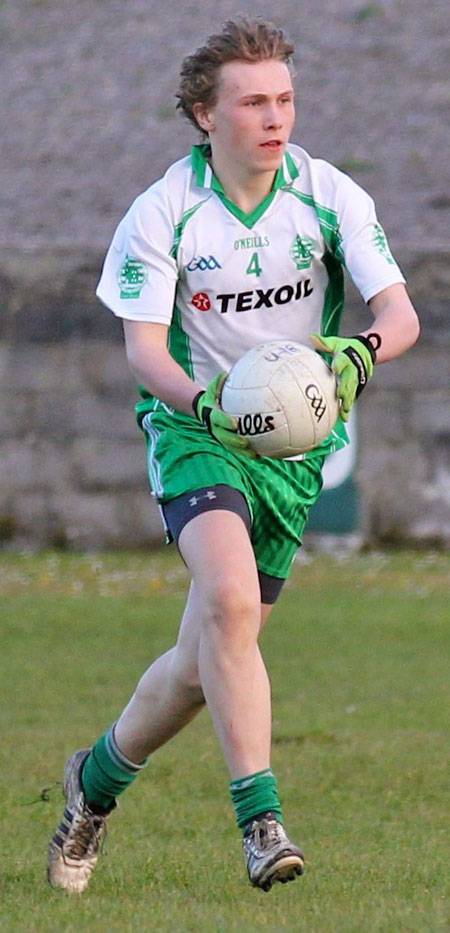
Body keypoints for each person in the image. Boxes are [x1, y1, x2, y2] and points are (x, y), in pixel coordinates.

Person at [47, 17, 420, 894]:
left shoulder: (329, 194)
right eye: (253, 101)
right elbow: (146, 351)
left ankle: (91, 784)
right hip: (196, 429)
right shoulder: (163, 212)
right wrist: (206, 404)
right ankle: (262, 823)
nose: (274, 116)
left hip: (292, 453)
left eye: (284, 98)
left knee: (202, 658)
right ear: (203, 114)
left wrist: (361, 350)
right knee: (225, 596)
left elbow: (399, 313)